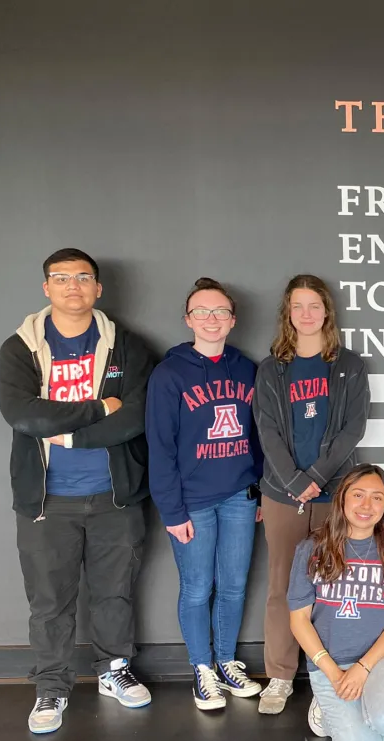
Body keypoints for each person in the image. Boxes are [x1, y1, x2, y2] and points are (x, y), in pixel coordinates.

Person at [0, 248, 155, 734]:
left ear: (98, 288)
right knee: (49, 602)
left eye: (83, 278)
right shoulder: (19, 348)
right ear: (46, 287)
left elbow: (134, 416)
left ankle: (114, 671)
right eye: (61, 278)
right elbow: (26, 416)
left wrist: (74, 431)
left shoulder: (126, 346)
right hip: (46, 501)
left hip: (114, 496)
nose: (72, 286)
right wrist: (96, 409)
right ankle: (51, 687)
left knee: (115, 595)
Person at [253, 274, 371, 715]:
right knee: (283, 587)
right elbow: (267, 430)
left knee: (334, 586)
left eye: (314, 306)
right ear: (288, 312)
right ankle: (280, 677)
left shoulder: (349, 365)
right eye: (297, 306)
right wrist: (294, 481)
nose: (306, 314)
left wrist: (318, 476)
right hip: (283, 494)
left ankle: (329, 679)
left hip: (335, 492)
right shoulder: (271, 369)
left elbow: (352, 428)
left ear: (327, 312)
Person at [145, 278, 264, 711]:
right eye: (202, 312)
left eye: (219, 312)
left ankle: (227, 660)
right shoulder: (169, 374)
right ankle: (202, 669)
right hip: (192, 501)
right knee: (197, 588)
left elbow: (261, 437)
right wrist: (171, 510)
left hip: (239, 494)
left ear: (232, 320)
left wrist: (262, 490)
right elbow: (159, 447)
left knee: (233, 586)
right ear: (188, 319)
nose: (211, 320)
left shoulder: (248, 369)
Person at [288, 465, 384, 741]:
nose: (366, 505)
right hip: (329, 661)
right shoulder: (312, 549)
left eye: (377, 497)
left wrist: (362, 669)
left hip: (380, 655)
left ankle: (376, 709)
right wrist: (334, 674)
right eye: (358, 495)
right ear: (342, 499)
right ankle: (329, 705)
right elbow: (299, 620)